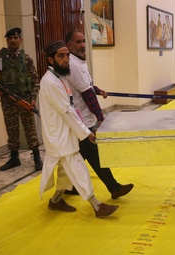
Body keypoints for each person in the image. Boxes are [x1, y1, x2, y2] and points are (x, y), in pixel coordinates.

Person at [39, 40, 118, 218]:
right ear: (51, 60)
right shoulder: (51, 82)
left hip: (66, 133)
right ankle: (97, 207)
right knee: (77, 168)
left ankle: (55, 201)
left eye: (67, 55)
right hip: (59, 136)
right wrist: (86, 132)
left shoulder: (60, 77)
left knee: (65, 173)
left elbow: (71, 106)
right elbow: (67, 111)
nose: (66, 59)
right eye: (61, 56)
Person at [64, 29, 134, 199]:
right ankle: (114, 187)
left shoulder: (79, 61)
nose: (82, 45)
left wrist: (98, 89)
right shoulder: (73, 64)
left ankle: (70, 186)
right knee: (93, 153)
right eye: (78, 42)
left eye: (83, 41)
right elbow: (87, 94)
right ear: (69, 45)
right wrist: (102, 117)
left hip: (81, 118)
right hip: (81, 118)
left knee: (82, 154)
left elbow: (86, 86)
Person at [0, 27, 43, 172]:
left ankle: (36, 157)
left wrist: (33, 99)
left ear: (20, 40)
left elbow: (35, 81)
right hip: (7, 100)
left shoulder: (26, 59)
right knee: (12, 129)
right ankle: (14, 158)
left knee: (30, 130)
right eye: (10, 38)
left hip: (24, 99)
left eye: (16, 38)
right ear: (7, 40)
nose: (13, 40)